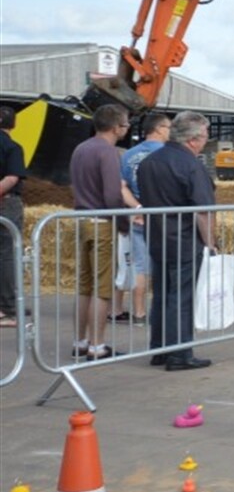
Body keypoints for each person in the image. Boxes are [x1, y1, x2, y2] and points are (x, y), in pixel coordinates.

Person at [137, 111, 217, 370]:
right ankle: (180, 354)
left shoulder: (149, 162)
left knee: (161, 293)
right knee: (181, 297)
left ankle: (160, 348)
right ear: (193, 139)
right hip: (184, 239)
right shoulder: (191, 165)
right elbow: (203, 211)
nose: (205, 141)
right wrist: (211, 244)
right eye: (205, 136)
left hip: (157, 237)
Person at [68, 103, 130, 359]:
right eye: (125, 124)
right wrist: (123, 223)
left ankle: (81, 341)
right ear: (116, 127)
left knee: (85, 285)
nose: (126, 128)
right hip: (102, 223)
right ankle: (97, 345)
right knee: (102, 287)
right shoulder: (107, 152)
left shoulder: (81, 149)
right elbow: (113, 195)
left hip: (82, 219)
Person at [115, 112, 171, 326]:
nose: (170, 132)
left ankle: (138, 313)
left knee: (140, 266)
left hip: (136, 215)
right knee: (164, 265)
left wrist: (137, 208)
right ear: (158, 129)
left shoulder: (129, 155)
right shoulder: (166, 154)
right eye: (168, 127)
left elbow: (121, 186)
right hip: (161, 216)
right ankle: (163, 312)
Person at [0, 106, 25, 329]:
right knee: (8, 253)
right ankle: (7, 309)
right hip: (6, 203)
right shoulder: (12, 147)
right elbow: (12, 177)